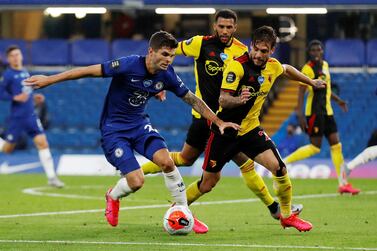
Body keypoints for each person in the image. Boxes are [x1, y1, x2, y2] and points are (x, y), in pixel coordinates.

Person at [25, 31, 239, 228]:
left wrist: (218, 122)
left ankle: (184, 212)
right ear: (151, 51)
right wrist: (49, 79)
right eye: (164, 54)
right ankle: (113, 196)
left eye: (172, 56)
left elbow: (192, 100)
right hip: (114, 131)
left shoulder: (167, 75)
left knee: (167, 162)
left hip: (139, 126)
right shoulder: (128, 65)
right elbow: (87, 71)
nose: (168, 59)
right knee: (137, 182)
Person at [141, 9, 303, 234]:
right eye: (221, 26)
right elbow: (166, 52)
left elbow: (268, 70)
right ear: (214, 26)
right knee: (191, 162)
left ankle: (276, 209)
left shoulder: (243, 51)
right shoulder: (200, 44)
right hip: (205, 117)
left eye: (229, 27)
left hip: (228, 120)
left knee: (239, 166)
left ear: (235, 28)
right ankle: (156, 187)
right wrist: (159, 81)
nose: (225, 31)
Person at [191, 26, 326, 232]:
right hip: (225, 132)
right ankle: (178, 208)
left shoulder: (272, 66)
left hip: (250, 131)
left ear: (271, 51)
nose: (258, 54)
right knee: (208, 183)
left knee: (279, 168)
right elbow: (223, 100)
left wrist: (310, 82)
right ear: (250, 46)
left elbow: (288, 69)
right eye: (255, 49)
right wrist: (239, 99)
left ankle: (287, 216)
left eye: (264, 51)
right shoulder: (237, 67)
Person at [283, 40, 360, 195]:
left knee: (336, 146)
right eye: (313, 50)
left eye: (318, 49)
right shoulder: (307, 69)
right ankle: (283, 163)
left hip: (328, 112)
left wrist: (338, 101)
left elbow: (327, 88)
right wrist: (300, 114)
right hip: (314, 113)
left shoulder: (325, 65)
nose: (316, 52)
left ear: (322, 51)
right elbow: (300, 92)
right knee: (314, 147)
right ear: (309, 52)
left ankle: (343, 183)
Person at [0, 45, 64, 188]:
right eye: (12, 55)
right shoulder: (8, 75)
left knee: (43, 143)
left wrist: (34, 98)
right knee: (7, 149)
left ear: (21, 56)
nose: (15, 57)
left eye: (17, 54)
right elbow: (1, 93)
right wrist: (14, 97)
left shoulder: (24, 72)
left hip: (30, 116)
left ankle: (52, 177)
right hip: (17, 118)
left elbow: (25, 92)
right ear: (9, 59)